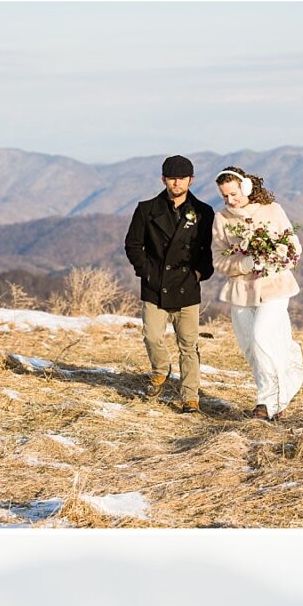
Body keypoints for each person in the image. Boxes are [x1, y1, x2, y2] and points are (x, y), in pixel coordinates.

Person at [211, 168, 303, 421]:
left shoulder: (272, 210)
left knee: (262, 336)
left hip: (274, 286)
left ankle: (266, 402)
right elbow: (218, 259)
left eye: (233, 193)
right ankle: (280, 393)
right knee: (251, 348)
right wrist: (245, 263)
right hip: (241, 291)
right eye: (224, 196)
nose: (230, 200)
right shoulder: (221, 219)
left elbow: (293, 246)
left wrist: (271, 258)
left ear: (246, 188)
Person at [123, 157, 216, 414]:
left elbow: (210, 248)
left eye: (182, 178)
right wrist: (147, 272)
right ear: (163, 179)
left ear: (191, 180)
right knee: (152, 336)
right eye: (171, 177)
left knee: (188, 345)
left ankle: (190, 397)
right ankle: (161, 369)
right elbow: (133, 244)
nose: (177, 182)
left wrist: (200, 272)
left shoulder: (204, 212)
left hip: (187, 286)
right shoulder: (146, 209)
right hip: (155, 286)